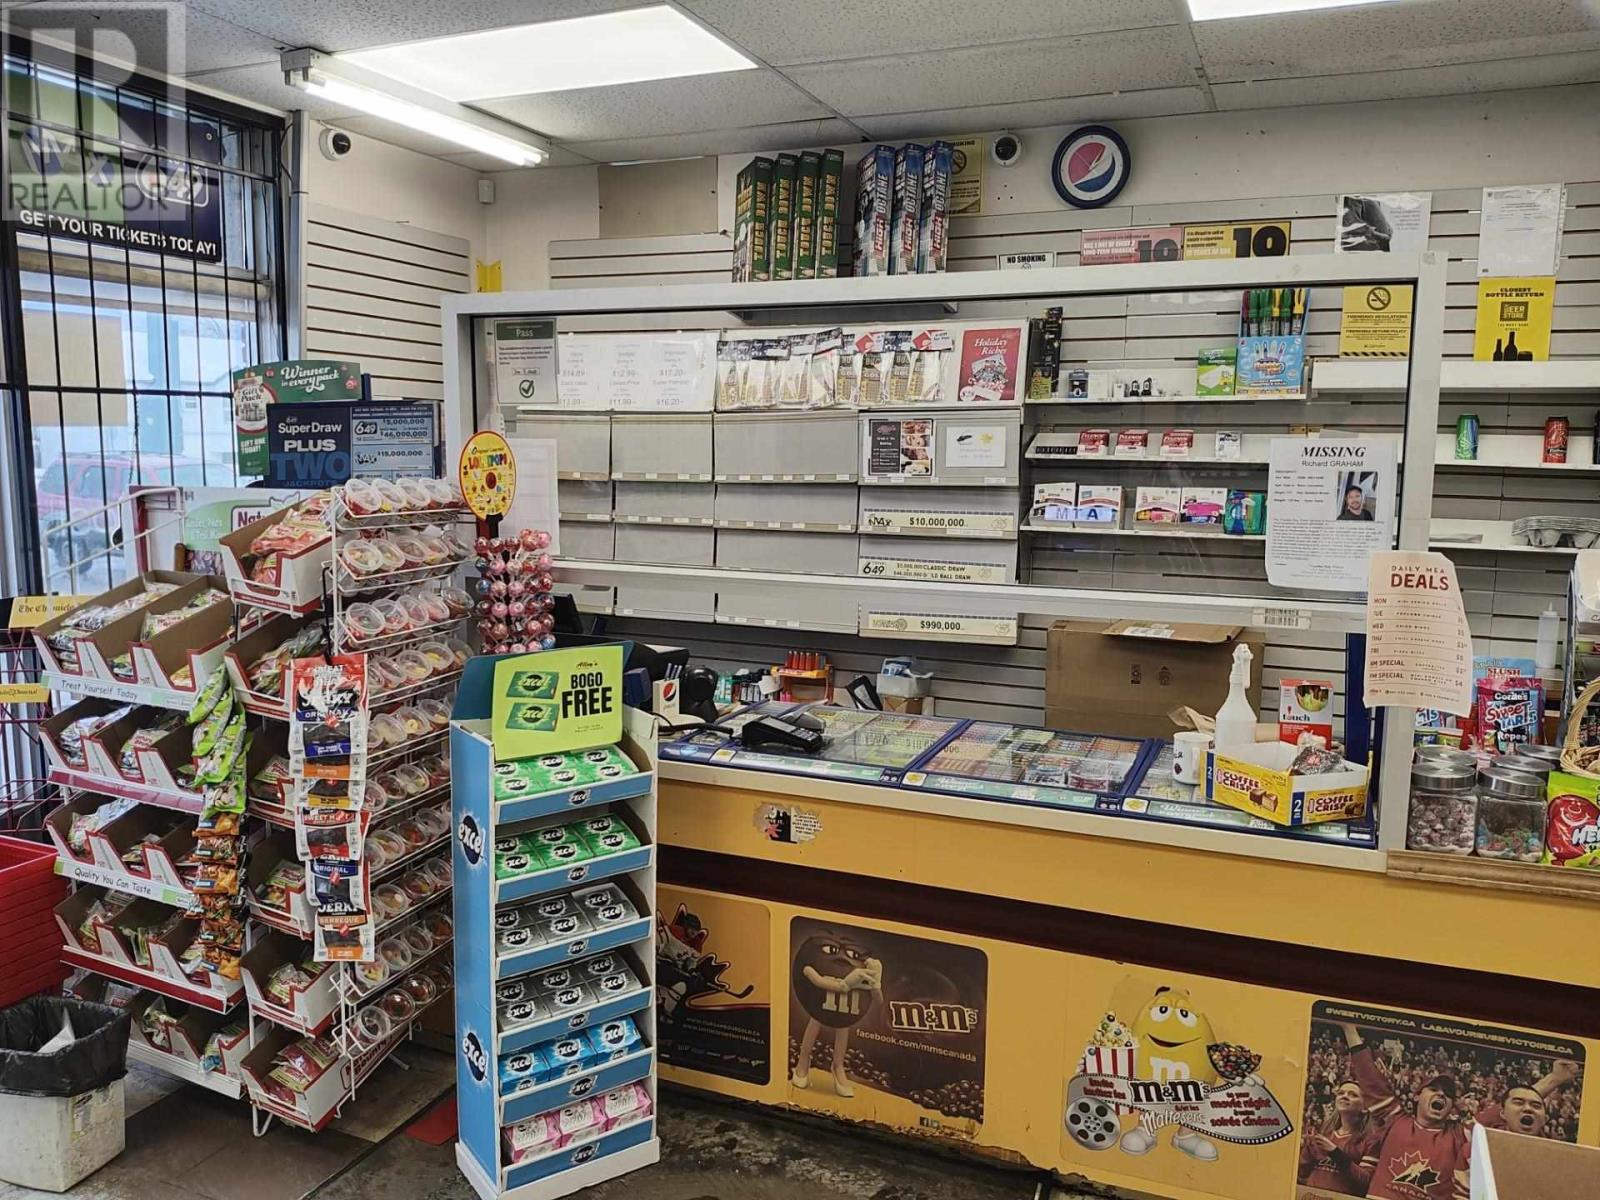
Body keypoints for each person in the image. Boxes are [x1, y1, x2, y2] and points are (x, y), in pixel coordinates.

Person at [1299, 1079, 1380, 1195]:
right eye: (1341, 1093)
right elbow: (1301, 1172)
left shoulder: (1371, 1140)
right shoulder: (1324, 1133)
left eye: (1353, 1095)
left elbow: (1365, 1182)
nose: (1345, 1096)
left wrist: (1335, 1152)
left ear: (1365, 1107)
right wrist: (1308, 1151)